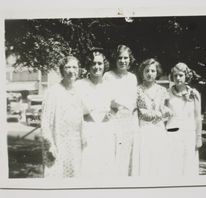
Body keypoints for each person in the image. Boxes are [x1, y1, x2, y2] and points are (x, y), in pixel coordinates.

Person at [41, 55, 85, 178]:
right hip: (58, 143)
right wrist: (50, 144)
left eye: (74, 67)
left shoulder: (79, 92)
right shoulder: (52, 92)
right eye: (68, 67)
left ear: (79, 70)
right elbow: (45, 122)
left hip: (75, 144)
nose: (71, 71)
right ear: (62, 70)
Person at [75, 49, 116, 177]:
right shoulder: (79, 85)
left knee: (105, 167)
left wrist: (110, 115)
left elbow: (116, 105)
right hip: (87, 130)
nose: (97, 67)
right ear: (88, 66)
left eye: (99, 63)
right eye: (93, 63)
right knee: (87, 167)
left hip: (106, 130)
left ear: (104, 65)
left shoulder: (110, 85)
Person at [103, 45, 138, 176]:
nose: (123, 61)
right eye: (120, 58)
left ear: (130, 59)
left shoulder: (132, 77)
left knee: (127, 154)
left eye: (126, 58)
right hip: (113, 119)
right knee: (113, 153)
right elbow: (105, 98)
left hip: (129, 121)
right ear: (115, 59)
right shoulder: (108, 76)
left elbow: (134, 100)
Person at [135, 58, 172, 176]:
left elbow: (163, 108)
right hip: (143, 129)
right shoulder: (137, 90)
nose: (149, 74)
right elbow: (141, 112)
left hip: (158, 130)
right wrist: (158, 114)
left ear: (157, 73)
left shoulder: (162, 90)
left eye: (152, 71)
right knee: (145, 160)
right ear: (142, 72)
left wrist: (166, 112)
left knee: (158, 161)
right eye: (147, 71)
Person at [166, 62, 202, 176]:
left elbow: (197, 117)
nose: (178, 78)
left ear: (186, 76)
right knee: (172, 165)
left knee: (188, 165)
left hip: (189, 134)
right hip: (172, 133)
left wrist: (198, 137)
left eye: (180, 75)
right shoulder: (166, 94)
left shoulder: (194, 94)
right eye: (175, 75)